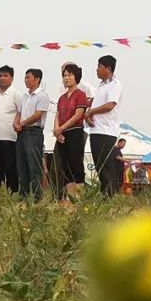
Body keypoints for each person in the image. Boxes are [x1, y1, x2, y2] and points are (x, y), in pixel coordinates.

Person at [86, 55, 124, 197]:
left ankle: (110, 194)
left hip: (106, 131)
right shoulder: (101, 85)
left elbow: (110, 105)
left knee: (106, 164)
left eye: (99, 67)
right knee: (99, 164)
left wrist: (91, 111)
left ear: (108, 68)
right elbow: (95, 103)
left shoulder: (115, 84)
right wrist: (89, 114)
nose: (97, 70)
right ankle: (105, 193)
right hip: (96, 129)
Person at [53, 63, 89, 199]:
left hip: (75, 131)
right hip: (62, 134)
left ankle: (80, 197)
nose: (67, 78)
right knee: (65, 165)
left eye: (70, 75)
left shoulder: (80, 94)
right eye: (65, 75)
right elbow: (58, 115)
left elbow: (78, 115)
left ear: (76, 77)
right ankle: (70, 197)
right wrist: (57, 131)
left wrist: (62, 128)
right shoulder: (62, 98)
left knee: (76, 164)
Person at [15, 68, 50, 200]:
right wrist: (16, 123)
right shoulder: (24, 96)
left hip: (34, 133)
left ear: (37, 79)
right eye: (25, 77)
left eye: (28, 77)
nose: (26, 80)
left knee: (34, 166)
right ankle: (23, 195)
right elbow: (19, 113)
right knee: (21, 165)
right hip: (22, 133)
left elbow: (38, 115)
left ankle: (36, 197)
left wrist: (22, 123)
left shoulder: (42, 95)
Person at [0, 66, 19, 193]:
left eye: (6, 76)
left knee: (10, 168)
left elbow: (21, 112)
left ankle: (13, 194)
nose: (2, 78)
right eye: (0, 75)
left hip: (10, 137)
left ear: (11, 78)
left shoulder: (16, 94)